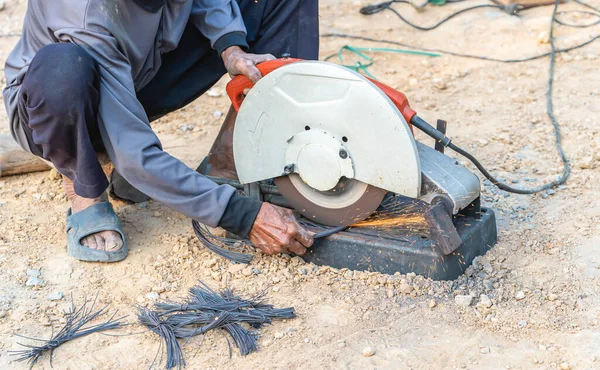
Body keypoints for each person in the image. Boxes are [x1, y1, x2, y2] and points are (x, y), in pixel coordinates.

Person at [2, 0, 318, 262]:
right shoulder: (81, 12)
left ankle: (239, 158)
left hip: (137, 70)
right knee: (64, 70)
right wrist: (243, 216)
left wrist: (231, 47)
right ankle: (84, 180)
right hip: (56, 104)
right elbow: (136, 156)